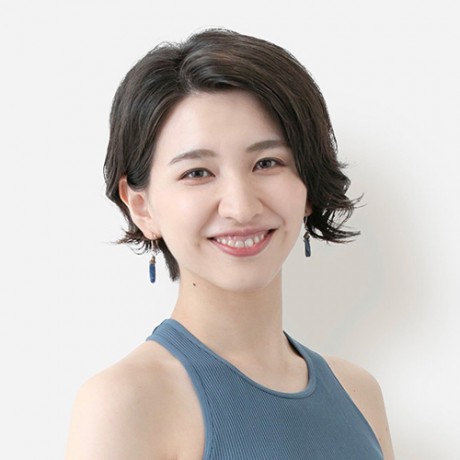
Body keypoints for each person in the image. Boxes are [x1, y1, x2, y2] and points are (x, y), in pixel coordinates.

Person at [65, 28, 394, 459]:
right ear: (141, 207)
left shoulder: (359, 392)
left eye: (267, 163)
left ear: (308, 187)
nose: (241, 207)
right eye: (197, 173)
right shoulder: (124, 403)